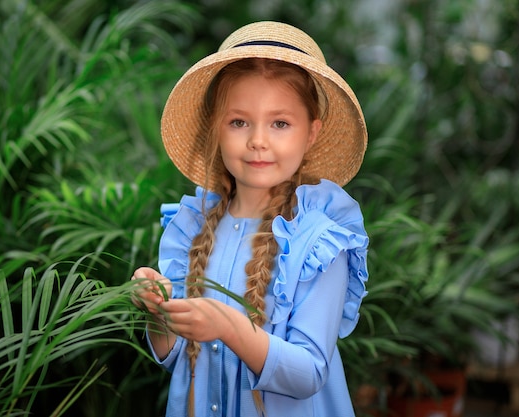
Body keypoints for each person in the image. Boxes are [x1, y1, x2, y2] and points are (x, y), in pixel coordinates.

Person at [131, 21, 369, 417]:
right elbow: (176, 358)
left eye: (280, 123)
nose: (258, 139)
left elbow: (309, 372)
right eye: (239, 121)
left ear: (311, 134)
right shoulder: (192, 227)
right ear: (217, 129)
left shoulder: (320, 244)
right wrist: (159, 314)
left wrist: (230, 328)